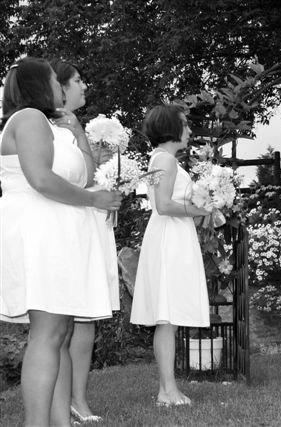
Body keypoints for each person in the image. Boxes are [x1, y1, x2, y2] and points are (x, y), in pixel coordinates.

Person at [0, 57, 122, 426]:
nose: (60, 86)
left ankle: (60, 422)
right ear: (39, 84)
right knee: (48, 334)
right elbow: (40, 178)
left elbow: (83, 175)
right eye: (55, 79)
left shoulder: (54, 127)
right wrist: (94, 201)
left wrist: (79, 133)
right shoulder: (28, 119)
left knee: (57, 333)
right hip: (39, 234)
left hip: (58, 234)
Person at [50, 59, 120, 423]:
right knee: (65, 321)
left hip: (92, 222)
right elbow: (69, 179)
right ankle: (63, 401)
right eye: (78, 80)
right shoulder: (46, 127)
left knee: (86, 317)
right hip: (70, 224)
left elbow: (92, 176)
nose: (84, 85)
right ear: (60, 86)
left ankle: (76, 399)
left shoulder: (77, 128)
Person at [130, 104, 212, 406]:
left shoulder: (159, 158)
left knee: (167, 317)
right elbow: (163, 205)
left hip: (168, 234)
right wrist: (200, 210)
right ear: (171, 127)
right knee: (167, 316)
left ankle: (168, 388)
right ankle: (167, 391)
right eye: (185, 124)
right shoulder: (165, 160)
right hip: (170, 237)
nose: (189, 130)